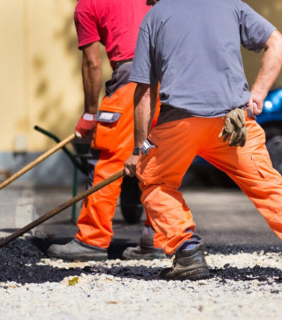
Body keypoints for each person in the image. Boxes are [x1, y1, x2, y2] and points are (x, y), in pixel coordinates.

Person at [124, 0, 282, 280]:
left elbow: (145, 93)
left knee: (155, 182)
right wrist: (257, 93)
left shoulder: (155, 16)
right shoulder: (231, 5)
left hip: (179, 125)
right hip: (234, 124)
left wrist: (139, 150)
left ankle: (187, 252)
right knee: (268, 186)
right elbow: (277, 43)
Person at [47, 0, 168, 261]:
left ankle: (91, 240)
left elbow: (92, 64)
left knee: (108, 159)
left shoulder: (86, 5)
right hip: (172, 75)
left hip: (132, 77)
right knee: (157, 159)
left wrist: (90, 114)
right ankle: (156, 239)